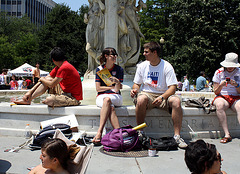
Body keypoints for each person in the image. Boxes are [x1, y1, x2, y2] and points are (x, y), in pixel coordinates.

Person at [130, 41, 187, 148]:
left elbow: (173, 88)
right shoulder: (142, 66)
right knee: (141, 99)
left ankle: (177, 136)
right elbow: (136, 84)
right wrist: (135, 90)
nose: (144, 54)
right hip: (147, 94)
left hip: (163, 94)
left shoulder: (167, 66)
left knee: (176, 101)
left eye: (146, 52)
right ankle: (140, 133)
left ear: (154, 52)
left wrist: (162, 97)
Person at [14, 47, 83, 107]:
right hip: (65, 94)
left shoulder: (64, 67)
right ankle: (28, 99)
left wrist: (41, 78)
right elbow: (47, 79)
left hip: (73, 98)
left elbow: (51, 84)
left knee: (49, 100)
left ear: (53, 60)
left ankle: (28, 99)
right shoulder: (59, 67)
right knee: (47, 79)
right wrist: (29, 92)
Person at [92, 47, 124, 145]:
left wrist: (117, 82)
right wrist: (110, 86)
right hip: (102, 96)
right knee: (110, 107)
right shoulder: (100, 69)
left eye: (115, 55)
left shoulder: (119, 69)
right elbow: (98, 89)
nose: (115, 57)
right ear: (106, 56)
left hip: (116, 96)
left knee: (107, 100)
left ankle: (99, 132)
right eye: (112, 55)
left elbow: (117, 89)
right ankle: (119, 135)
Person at [212, 52, 240, 143]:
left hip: (236, 97)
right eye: (228, 65)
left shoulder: (239, 72)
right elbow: (215, 91)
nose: (230, 67)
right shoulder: (219, 72)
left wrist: (236, 85)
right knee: (219, 105)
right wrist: (221, 85)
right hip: (222, 96)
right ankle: (227, 134)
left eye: (232, 65)